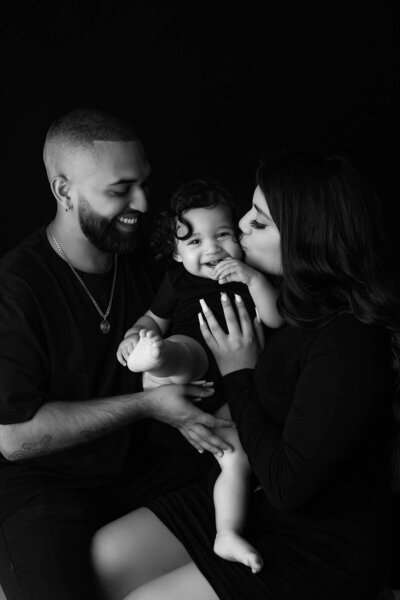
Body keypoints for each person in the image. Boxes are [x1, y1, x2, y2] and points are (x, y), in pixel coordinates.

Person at [91, 150, 399, 600]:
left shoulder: (348, 341)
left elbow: (286, 485)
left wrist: (239, 371)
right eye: (249, 212)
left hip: (315, 536)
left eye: (260, 221)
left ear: (306, 236)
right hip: (248, 497)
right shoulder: (283, 299)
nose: (241, 227)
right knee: (102, 557)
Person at [0, 108, 235, 600]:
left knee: (264, 507)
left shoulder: (144, 258)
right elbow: (14, 438)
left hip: (138, 466)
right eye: (120, 189)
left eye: (143, 182)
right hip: (41, 486)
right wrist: (149, 406)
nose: (143, 201)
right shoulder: (16, 287)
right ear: (64, 192)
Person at [116, 179, 283, 574]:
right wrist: (134, 336)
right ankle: (153, 356)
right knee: (185, 349)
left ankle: (226, 532)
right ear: (175, 252)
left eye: (222, 235)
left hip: (226, 394)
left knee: (236, 457)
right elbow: (151, 319)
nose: (211, 249)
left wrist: (254, 279)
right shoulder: (177, 283)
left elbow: (275, 316)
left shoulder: (251, 275)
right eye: (194, 242)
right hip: (181, 369)